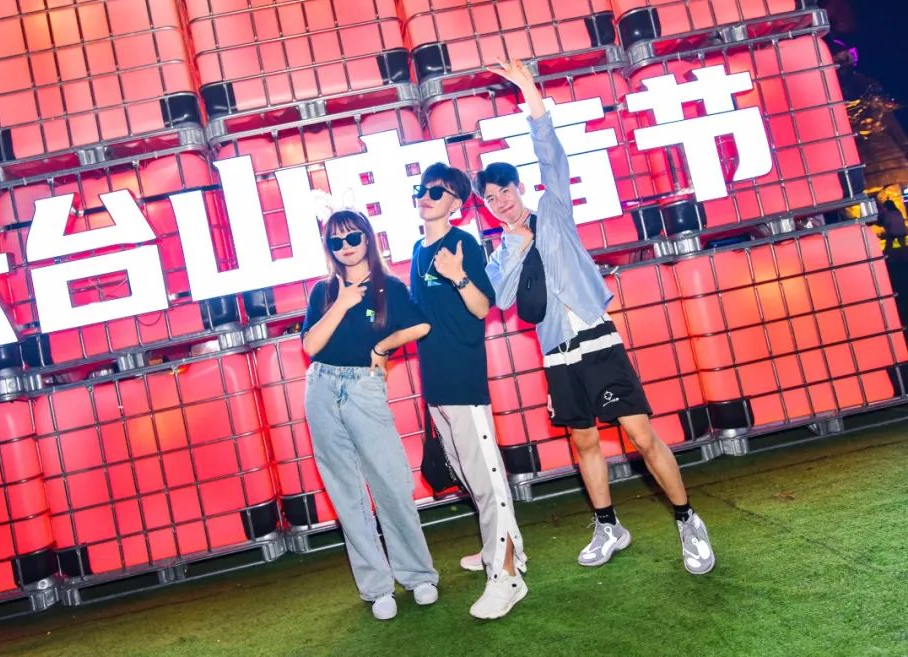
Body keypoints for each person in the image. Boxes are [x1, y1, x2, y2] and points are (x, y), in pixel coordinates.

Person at [478, 59, 715, 576]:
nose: (500, 203)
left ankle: (687, 520)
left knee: (640, 434)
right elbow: (500, 298)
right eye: (491, 200)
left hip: (597, 338)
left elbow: (552, 156)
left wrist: (529, 93)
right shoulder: (500, 252)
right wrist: (515, 246)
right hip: (557, 353)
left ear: (519, 188)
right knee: (583, 439)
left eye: (505, 192)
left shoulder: (553, 212)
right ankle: (609, 525)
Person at [301, 209, 439, 620]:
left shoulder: (388, 286)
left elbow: (421, 326)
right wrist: (342, 303)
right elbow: (310, 346)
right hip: (322, 387)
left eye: (352, 237)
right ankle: (377, 588)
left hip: (364, 386)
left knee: (391, 483)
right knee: (346, 493)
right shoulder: (323, 291)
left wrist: (383, 347)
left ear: (367, 237)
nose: (345, 247)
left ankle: (418, 575)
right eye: (336, 241)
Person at [410, 163, 529, 620]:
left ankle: (507, 577)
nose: (426, 197)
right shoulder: (418, 249)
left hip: (463, 377)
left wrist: (458, 275)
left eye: (437, 192)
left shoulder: (462, 244)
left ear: (456, 204)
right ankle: (501, 548)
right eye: (422, 189)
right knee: (466, 472)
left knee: (486, 478)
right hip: (435, 381)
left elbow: (482, 307)